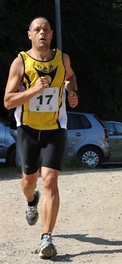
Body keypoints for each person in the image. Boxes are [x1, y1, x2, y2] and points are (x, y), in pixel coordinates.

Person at [3, 17, 79, 259]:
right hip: (27, 128)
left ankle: (46, 238)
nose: (42, 33)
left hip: (56, 127)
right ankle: (31, 200)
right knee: (29, 182)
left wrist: (71, 91)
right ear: (30, 35)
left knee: (50, 180)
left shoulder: (62, 58)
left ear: (51, 33)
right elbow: (7, 101)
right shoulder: (20, 63)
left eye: (46, 29)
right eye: (37, 29)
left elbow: (71, 77)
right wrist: (34, 90)